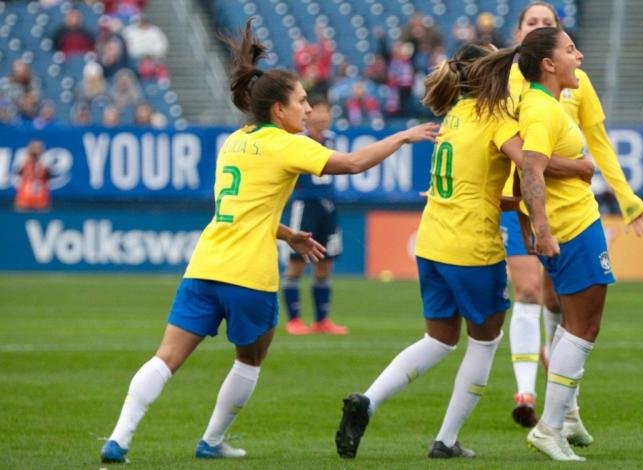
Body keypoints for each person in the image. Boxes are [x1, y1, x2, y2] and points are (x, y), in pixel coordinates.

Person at [98, 21, 437, 464]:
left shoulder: (234, 142)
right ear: (279, 110)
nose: (308, 110)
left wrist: (288, 233)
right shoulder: (287, 145)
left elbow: (237, 207)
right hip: (249, 274)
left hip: (204, 265)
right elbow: (352, 163)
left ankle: (119, 438)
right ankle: (212, 440)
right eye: (301, 102)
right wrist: (403, 136)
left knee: (166, 357)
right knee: (250, 359)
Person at [334, 42, 593, 461]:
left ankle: (368, 399)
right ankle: (446, 440)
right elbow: (532, 164)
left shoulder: (455, 113)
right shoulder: (495, 119)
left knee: (438, 339)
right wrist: (581, 167)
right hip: (471, 246)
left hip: (432, 240)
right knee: (486, 341)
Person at [499, 2, 643, 437]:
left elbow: (599, 144)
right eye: (533, 23)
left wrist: (626, 198)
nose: (541, 28)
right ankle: (527, 395)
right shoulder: (510, 83)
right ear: (520, 33)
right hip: (523, 205)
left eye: (549, 24)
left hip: (568, 206)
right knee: (528, 290)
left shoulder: (575, 83)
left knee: (559, 304)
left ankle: (566, 410)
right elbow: (518, 154)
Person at [466, 25, 615, 462]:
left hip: (570, 225)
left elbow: (531, 172)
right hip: (573, 229)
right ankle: (551, 427)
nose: (579, 56)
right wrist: (544, 230)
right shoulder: (542, 110)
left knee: (577, 326)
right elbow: (531, 170)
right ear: (548, 64)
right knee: (582, 327)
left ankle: (562, 421)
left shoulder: (540, 105)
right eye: (571, 50)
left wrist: (533, 222)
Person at [281, 97, 350, 336]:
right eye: (318, 111)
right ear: (308, 114)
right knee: (296, 263)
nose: (322, 116)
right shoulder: (298, 141)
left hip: (329, 206)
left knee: (325, 264)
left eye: (326, 112)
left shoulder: (330, 139)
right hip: (305, 206)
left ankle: (322, 320)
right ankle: (295, 319)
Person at [14, 140, 51, 212]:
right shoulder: (24, 162)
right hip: (24, 201)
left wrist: (41, 161)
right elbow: (17, 173)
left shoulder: (44, 164)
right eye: (33, 148)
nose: (35, 152)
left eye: (38, 148)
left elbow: (49, 175)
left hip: (41, 201)